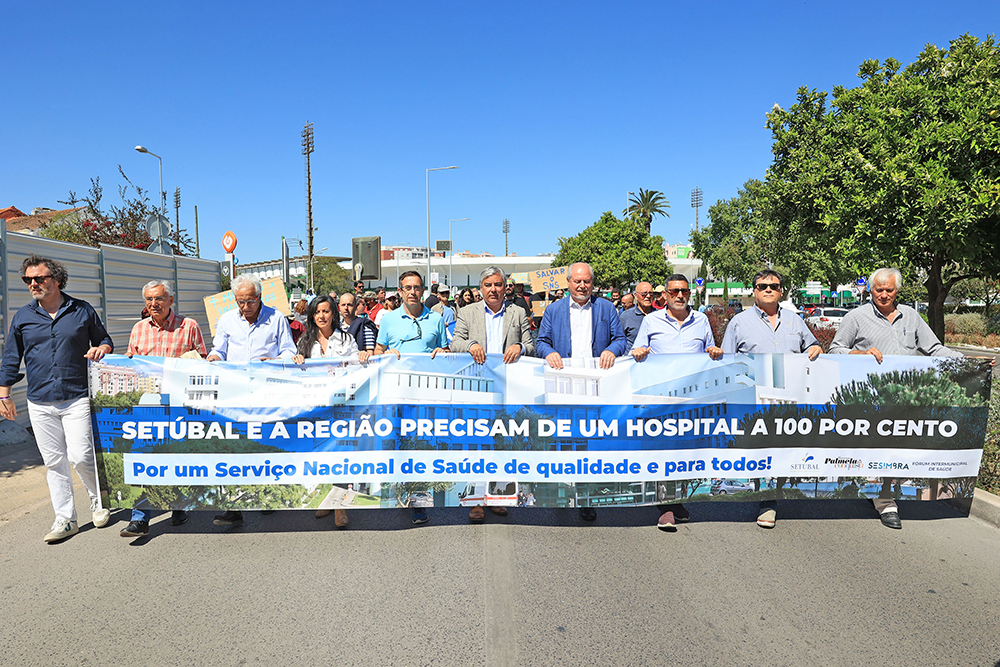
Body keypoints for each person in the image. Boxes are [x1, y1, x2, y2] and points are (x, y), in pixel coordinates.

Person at [829, 268, 968, 529]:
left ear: (897, 290)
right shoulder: (855, 317)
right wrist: (858, 355)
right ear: (870, 290)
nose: (883, 294)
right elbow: (835, 348)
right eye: (878, 289)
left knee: (900, 447)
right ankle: (885, 501)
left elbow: (934, 348)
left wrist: (968, 362)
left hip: (908, 397)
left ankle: (885, 493)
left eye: (889, 290)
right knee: (882, 447)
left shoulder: (912, 317)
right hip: (871, 397)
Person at [0, 254, 113, 543]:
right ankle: (65, 518)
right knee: (54, 462)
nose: (33, 284)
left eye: (39, 278)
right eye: (28, 280)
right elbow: (11, 357)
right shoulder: (23, 317)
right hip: (39, 401)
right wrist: (4, 393)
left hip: (76, 396)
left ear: (57, 280)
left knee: (82, 456)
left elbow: (104, 339)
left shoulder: (82, 310)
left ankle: (98, 499)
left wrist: (102, 348)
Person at [721, 269, 822, 529]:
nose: (768, 289)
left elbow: (811, 345)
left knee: (784, 449)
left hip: (790, 400)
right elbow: (728, 365)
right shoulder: (739, 323)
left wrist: (815, 347)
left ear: (781, 291)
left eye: (774, 286)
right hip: (754, 400)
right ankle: (766, 500)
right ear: (754, 290)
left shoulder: (794, 321)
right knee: (761, 450)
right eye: (762, 285)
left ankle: (774, 497)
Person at [631, 274, 722, 531]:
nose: (679, 296)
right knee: (662, 452)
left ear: (690, 294)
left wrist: (715, 352)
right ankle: (665, 508)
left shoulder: (701, 320)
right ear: (665, 296)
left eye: (684, 291)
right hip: (660, 401)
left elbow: (709, 352)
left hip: (691, 400)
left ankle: (677, 500)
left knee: (685, 453)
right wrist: (638, 352)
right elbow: (637, 352)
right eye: (674, 292)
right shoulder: (651, 321)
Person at [536, 262, 627, 522]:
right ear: (568, 282)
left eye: (586, 281)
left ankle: (586, 498)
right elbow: (540, 341)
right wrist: (549, 352)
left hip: (596, 388)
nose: (582, 286)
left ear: (592, 283)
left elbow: (620, 339)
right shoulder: (553, 310)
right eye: (577, 281)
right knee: (562, 440)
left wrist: (613, 350)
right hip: (563, 387)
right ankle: (559, 494)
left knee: (589, 443)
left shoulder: (606, 308)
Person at [120, 279, 208, 537]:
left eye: (158, 298)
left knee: (177, 456)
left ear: (171, 300)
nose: (153, 304)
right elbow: (131, 363)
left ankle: (178, 504)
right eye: (148, 299)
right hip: (149, 405)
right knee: (143, 457)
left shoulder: (189, 326)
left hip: (180, 404)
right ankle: (140, 518)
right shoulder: (138, 329)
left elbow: (202, 363)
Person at [207, 274, 296, 526]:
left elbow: (289, 350)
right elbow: (219, 349)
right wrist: (214, 358)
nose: (245, 307)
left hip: (266, 393)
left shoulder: (276, 318)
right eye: (240, 302)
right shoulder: (226, 320)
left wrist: (277, 362)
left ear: (260, 297)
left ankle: (268, 496)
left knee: (264, 445)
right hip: (234, 394)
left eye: (250, 301)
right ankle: (232, 509)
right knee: (232, 446)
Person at [452, 267, 535, 523]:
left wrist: (520, 346)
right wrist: (470, 345)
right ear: (481, 288)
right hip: (478, 390)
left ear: (505, 287)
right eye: (488, 285)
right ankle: (476, 501)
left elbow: (532, 346)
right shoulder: (467, 313)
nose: (493, 290)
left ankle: (499, 496)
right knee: (478, 444)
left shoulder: (518, 312)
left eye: (498, 284)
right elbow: (454, 343)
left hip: (508, 390)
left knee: (503, 442)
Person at [370, 271, 449, 524]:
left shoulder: (436, 319)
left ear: (424, 291)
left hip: (427, 395)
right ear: (400, 291)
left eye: (417, 287)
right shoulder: (389, 320)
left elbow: (446, 351)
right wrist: (385, 353)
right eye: (407, 288)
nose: (413, 292)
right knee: (397, 445)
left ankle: (418, 503)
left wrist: (442, 351)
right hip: (397, 394)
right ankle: (392, 495)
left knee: (421, 447)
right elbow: (377, 351)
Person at [292, 295, 359, 528]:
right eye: (317, 312)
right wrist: (297, 359)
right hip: (315, 407)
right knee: (321, 454)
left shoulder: (346, 339)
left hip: (341, 407)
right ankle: (328, 499)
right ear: (312, 316)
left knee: (340, 454)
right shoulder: (305, 341)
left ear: (334, 314)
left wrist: (361, 357)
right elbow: (296, 372)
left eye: (326, 311)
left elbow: (357, 370)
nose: (322, 316)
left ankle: (341, 506)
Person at [620, 281, 657, 350]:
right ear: (636, 296)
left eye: (651, 293)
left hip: (655, 359)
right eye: (644, 294)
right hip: (632, 359)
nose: (648, 296)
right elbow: (619, 340)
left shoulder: (659, 315)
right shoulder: (625, 317)